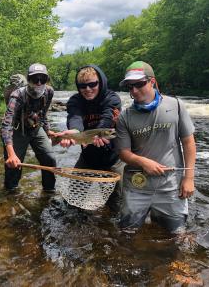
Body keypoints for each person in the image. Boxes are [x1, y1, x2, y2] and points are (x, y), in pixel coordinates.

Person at [115, 61, 196, 233]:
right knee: (126, 234)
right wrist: (143, 162)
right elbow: (123, 153)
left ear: (152, 82)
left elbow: (188, 142)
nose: (134, 90)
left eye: (139, 84)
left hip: (170, 187)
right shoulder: (125, 117)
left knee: (175, 235)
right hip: (137, 187)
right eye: (130, 86)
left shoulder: (176, 106)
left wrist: (189, 178)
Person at [56, 65, 123, 212]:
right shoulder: (75, 100)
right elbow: (75, 117)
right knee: (73, 201)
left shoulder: (112, 98)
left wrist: (100, 133)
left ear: (101, 82)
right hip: (88, 157)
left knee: (117, 205)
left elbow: (107, 118)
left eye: (92, 84)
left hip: (113, 159)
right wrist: (73, 132)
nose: (87, 89)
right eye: (83, 86)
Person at [1, 63, 56, 192]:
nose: (38, 82)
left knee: (50, 158)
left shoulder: (49, 92)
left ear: (46, 80)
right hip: (17, 130)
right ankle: (11, 193)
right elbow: (6, 125)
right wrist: (11, 154)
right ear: (28, 79)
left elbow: (43, 113)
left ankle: (49, 191)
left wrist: (48, 131)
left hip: (36, 128)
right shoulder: (17, 95)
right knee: (14, 165)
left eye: (42, 79)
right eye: (34, 78)